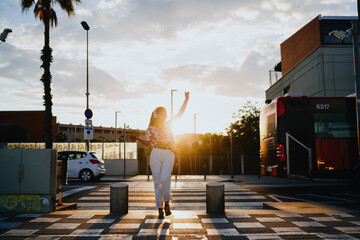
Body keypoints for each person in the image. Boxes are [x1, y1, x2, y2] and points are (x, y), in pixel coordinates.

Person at [133, 91, 189, 218]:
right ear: (156, 115)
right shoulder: (151, 128)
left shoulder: (169, 124)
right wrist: (137, 138)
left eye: (166, 114)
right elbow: (148, 143)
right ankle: (160, 209)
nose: (165, 115)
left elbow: (180, 114)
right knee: (157, 182)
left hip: (169, 153)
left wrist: (186, 99)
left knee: (165, 178)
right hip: (156, 153)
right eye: (163, 113)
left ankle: (167, 202)